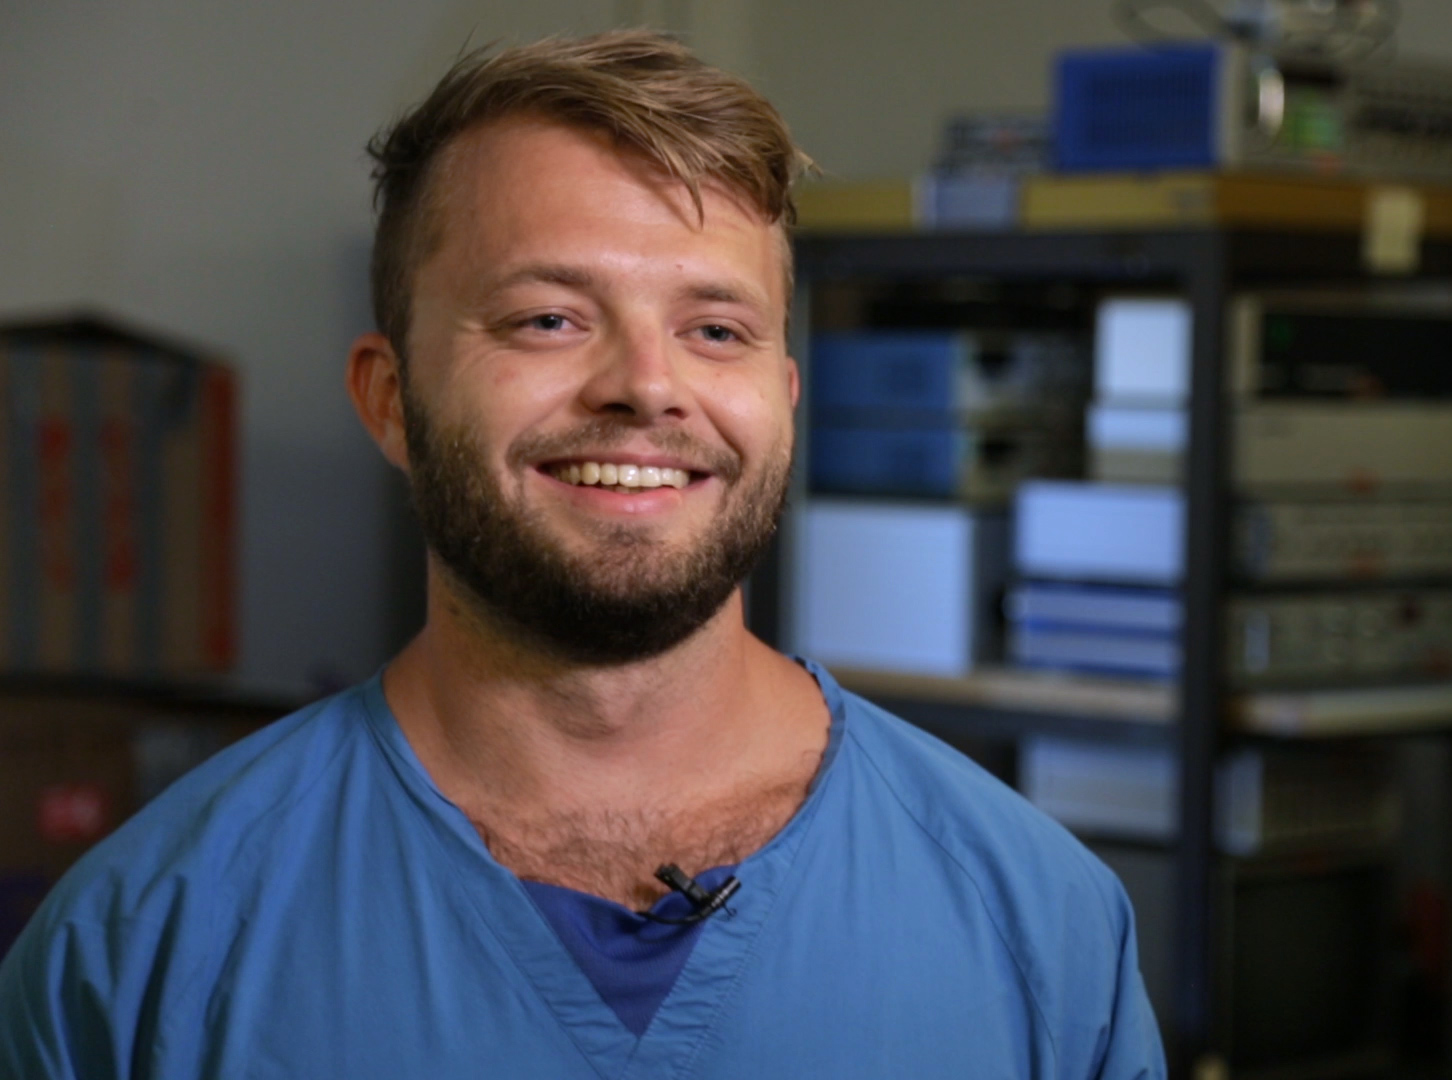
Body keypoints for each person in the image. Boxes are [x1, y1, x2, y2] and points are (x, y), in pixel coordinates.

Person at [0, 30, 1164, 1079]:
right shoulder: (139, 951)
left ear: (784, 399)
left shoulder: (1041, 926)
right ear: (390, 398)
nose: (647, 387)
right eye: (548, 319)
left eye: (715, 330)